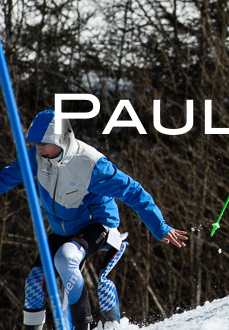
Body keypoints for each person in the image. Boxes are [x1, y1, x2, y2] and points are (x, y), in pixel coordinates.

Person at [0, 109, 188, 330]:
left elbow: (134, 191)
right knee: (33, 282)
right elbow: (7, 178)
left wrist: (160, 227)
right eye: (36, 143)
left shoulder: (91, 164)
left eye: (44, 143)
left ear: (61, 139)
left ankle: (84, 326)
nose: (39, 148)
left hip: (96, 224)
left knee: (65, 258)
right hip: (63, 230)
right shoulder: (37, 157)